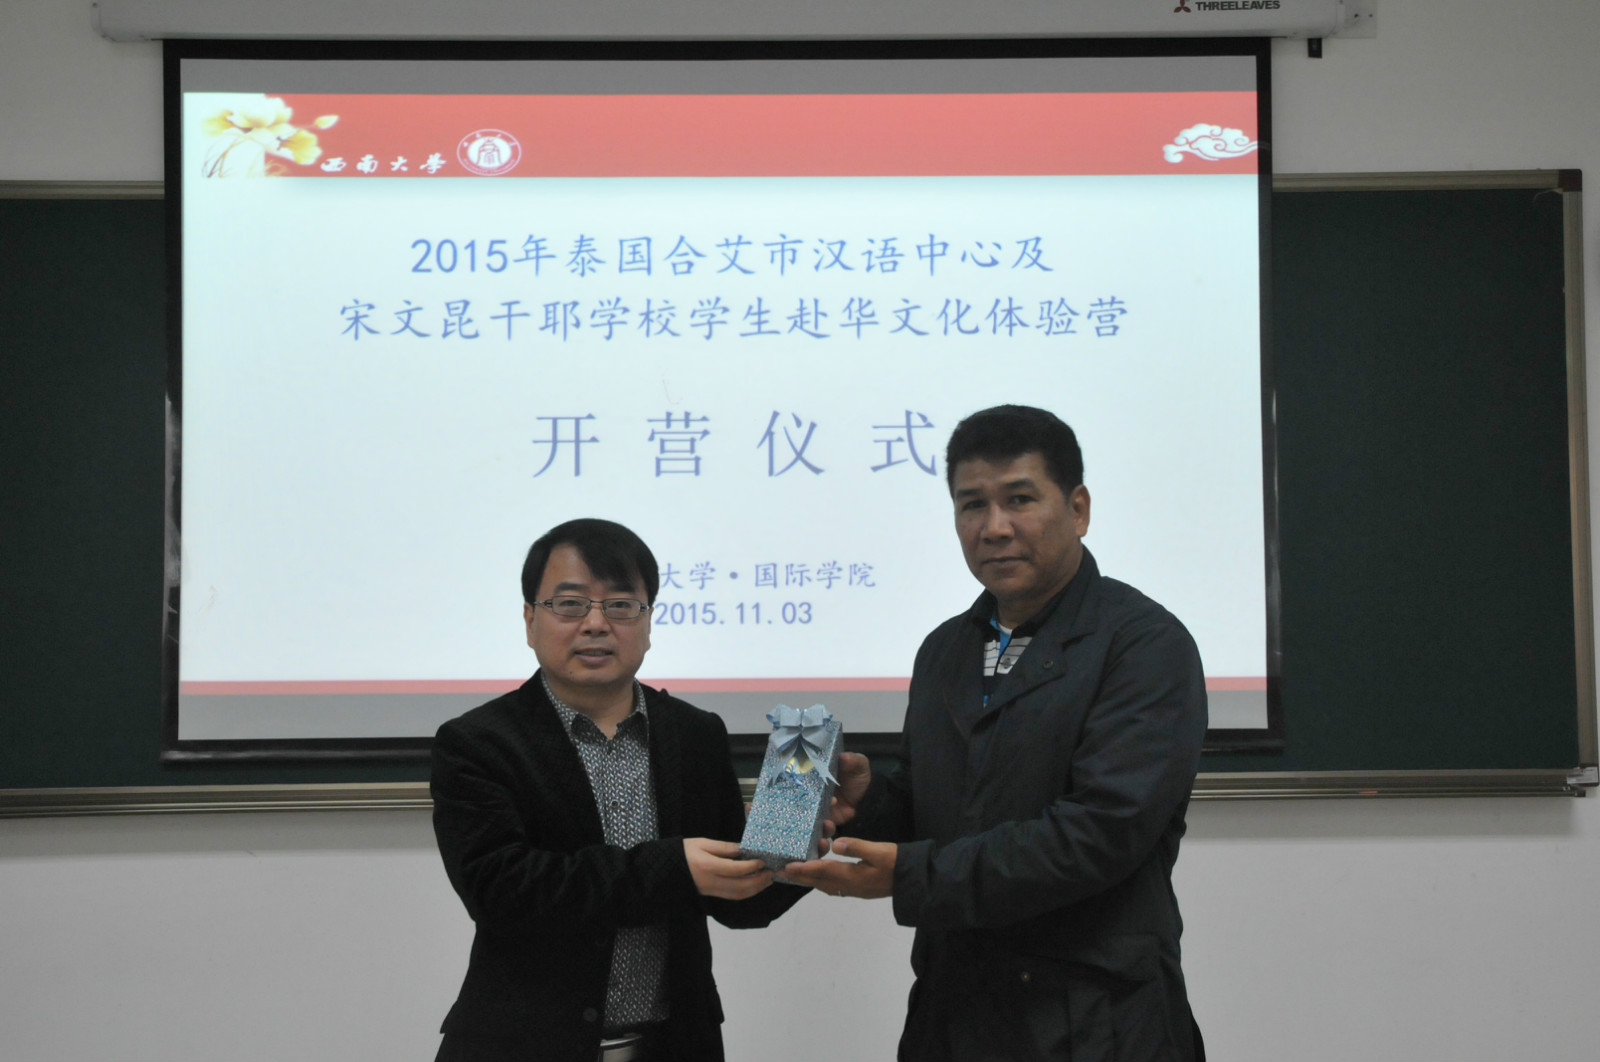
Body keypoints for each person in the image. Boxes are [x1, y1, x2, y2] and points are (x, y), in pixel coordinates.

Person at [785, 405, 1209, 1062]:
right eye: (971, 505)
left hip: (1095, 1020)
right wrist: (872, 799)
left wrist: (911, 875)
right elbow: (949, 808)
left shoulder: (1144, 644)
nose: (994, 527)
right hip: (954, 1011)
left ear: (1078, 509)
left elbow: (1101, 833)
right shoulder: (945, 650)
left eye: (1020, 500)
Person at [431, 518, 805, 1062]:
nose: (596, 624)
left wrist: (799, 828)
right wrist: (673, 867)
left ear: (649, 621)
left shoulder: (695, 734)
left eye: (621, 605)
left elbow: (742, 902)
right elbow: (502, 893)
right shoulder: (478, 742)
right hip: (525, 1048)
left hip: (675, 1047)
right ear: (530, 620)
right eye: (570, 605)